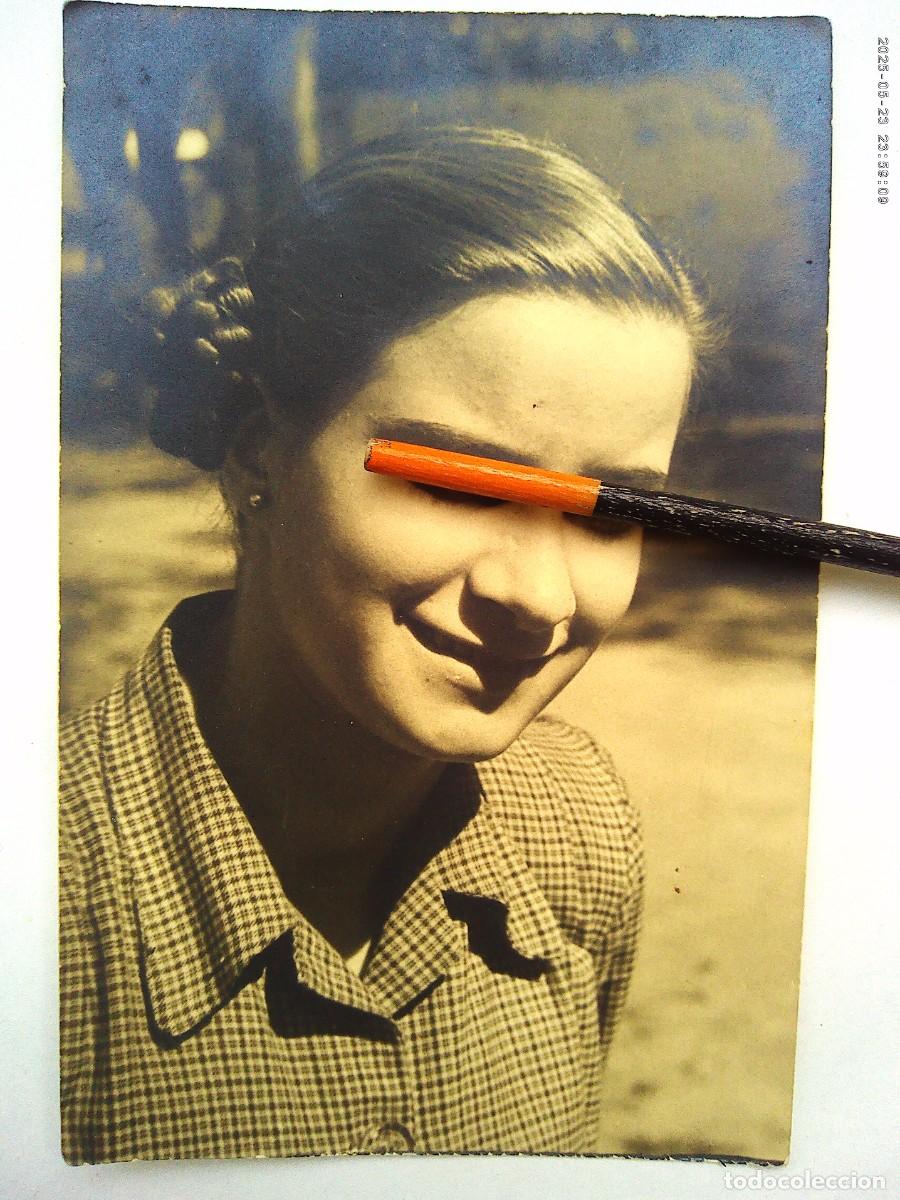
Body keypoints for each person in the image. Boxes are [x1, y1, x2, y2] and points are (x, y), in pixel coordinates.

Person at [59, 125, 717, 1163]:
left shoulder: (580, 832)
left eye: (604, 510)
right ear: (259, 452)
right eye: (455, 484)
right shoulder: (47, 910)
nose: (536, 596)